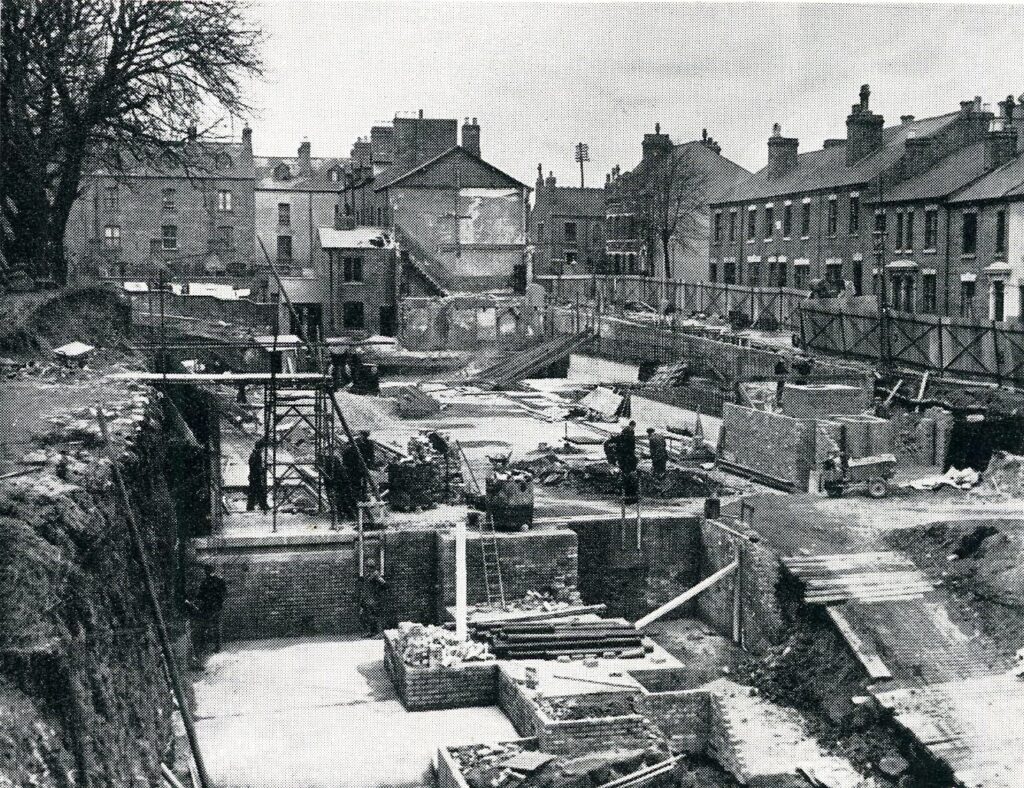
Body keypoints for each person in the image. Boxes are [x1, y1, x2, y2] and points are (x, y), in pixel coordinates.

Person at [187, 564, 228, 667]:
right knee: (216, 626)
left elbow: (200, 595)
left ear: (207, 571)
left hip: (209, 608)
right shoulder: (219, 580)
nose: (206, 572)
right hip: (216, 607)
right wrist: (219, 602)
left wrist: (195, 601)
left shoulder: (206, 582)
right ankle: (217, 647)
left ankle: (208, 647)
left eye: (206, 571)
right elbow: (224, 594)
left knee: (206, 626)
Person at [247, 438, 268, 512]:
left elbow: (254, 466)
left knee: (255, 492)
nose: (263, 450)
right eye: (263, 448)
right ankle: (263, 506)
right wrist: (263, 470)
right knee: (259, 492)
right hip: (255, 477)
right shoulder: (256, 455)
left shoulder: (254, 454)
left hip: (254, 476)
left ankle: (253, 507)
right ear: (261, 448)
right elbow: (255, 467)